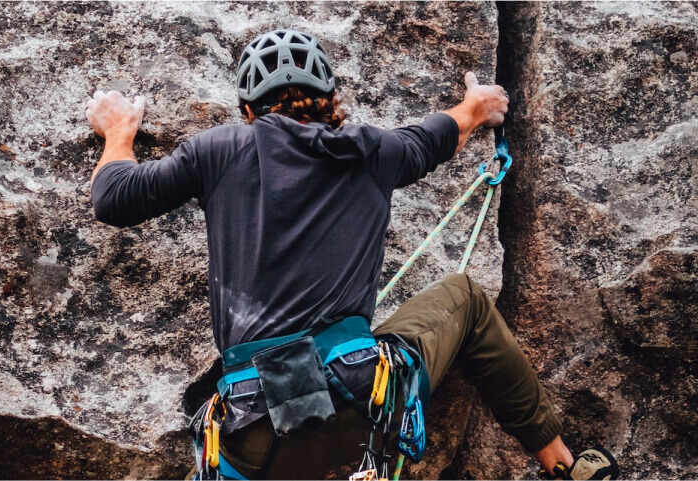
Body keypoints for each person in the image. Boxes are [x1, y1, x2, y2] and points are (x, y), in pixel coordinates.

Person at [84, 29, 618, 480]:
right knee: (464, 298)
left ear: (247, 109)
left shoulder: (218, 150)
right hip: (362, 411)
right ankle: (561, 463)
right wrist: (476, 107)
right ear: (329, 94)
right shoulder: (373, 150)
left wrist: (119, 130)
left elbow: (114, 196)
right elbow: (439, 135)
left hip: (252, 441)